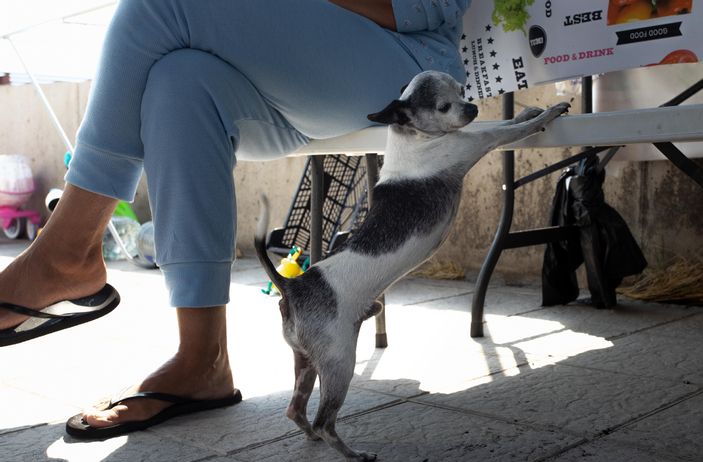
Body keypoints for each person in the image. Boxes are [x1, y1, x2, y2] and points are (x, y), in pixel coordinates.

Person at [0, 0, 471, 438]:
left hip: (408, 66)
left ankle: (66, 253)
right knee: (178, 81)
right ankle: (203, 358)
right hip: (301, 67)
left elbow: (423, 6)